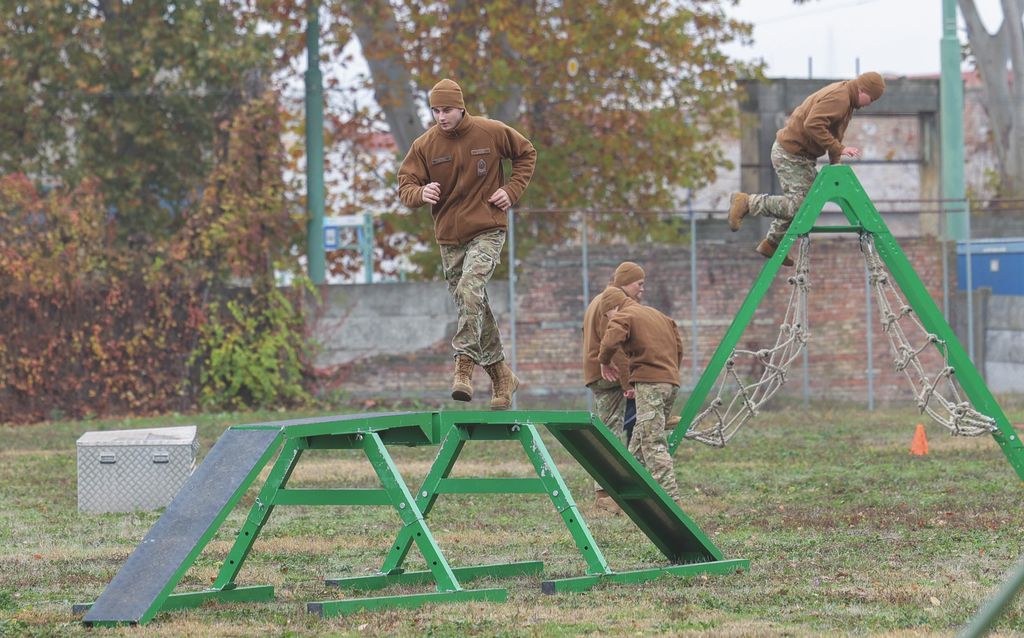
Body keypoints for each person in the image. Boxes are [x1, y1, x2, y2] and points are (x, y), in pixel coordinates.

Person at [398, 79, 537, 409]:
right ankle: (502, 376)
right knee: (471, 303)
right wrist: (420, 193)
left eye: (446, 110)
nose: (441, 117)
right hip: (449, 238)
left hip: (487, 228)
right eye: (435, 111)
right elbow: (405, 186)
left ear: (461, 108)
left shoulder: (490, 131)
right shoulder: (424, 145)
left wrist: (512, 190)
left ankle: (463, 366)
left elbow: (526, 154)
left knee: (470, 287)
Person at [727, 71, 886, 266]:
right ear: (862, 90)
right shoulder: (840, 98)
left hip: (800, 155)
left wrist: (836, 164)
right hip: (790, 153)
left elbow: (834, 133)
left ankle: (772, 243)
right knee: (801, 205)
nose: (870, 103)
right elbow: (813, 124)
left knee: (809, 200)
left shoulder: (848, 100)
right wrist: (839, 149)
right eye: (872, 99)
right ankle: (747, 202)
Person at [598, 287, 684, 503]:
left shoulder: (625, 314)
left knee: (652, 442)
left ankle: (671, 501)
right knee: (640, 437)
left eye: (607, 315)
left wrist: (604, 361)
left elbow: (610, 340)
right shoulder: (659, 316)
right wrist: (670, 372)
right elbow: (679, 346)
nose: (609, 320)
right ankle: (625, 496)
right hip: (670, 382)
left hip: (650, 384)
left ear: (613, 307)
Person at [581, 261, 645, 513]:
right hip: (610, 373)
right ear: (625, 283)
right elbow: (615, 344)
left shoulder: (597, 300)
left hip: (597, 372)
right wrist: (628, 382)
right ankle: (609, 493)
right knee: (612, 433)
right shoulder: (611, 304)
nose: (642, 289)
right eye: (639, 284)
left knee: (609, 429)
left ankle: (604, 492)